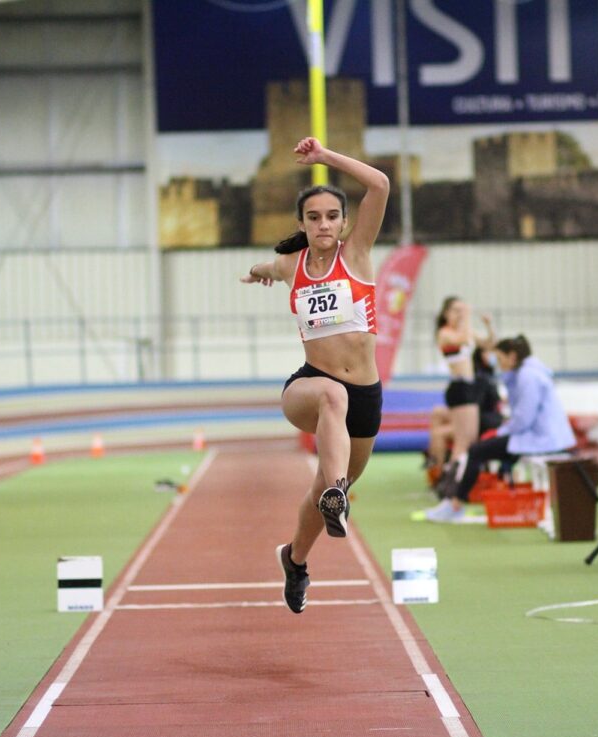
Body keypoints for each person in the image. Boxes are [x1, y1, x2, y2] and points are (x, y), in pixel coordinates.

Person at [240, 137, 389, 614]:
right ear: (302, 224)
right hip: (310, 386)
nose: (323, 224)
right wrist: (260, 271)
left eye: (331, 216)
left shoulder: (358, 254)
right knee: (330, 396)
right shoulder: (292, 265)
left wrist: (326, 158)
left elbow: (380, 184)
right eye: (313, 217)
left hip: (365, 394)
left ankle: (295, 558)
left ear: (344, 223)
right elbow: (267, 264)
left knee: (325, 486)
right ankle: (335, 493)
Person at [423, 335, 576, 523]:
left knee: (476, 451)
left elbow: (523, 419)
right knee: (480, 449)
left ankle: (455, 504)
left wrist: (500, 432)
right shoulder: (525, 374)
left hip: (540, 439)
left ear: (512, 357)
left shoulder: (528, 377)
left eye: (501, 359)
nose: (498, 363)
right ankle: (454, 502)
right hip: (538, 435)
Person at [433, 298, 497, 472]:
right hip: (459, 387)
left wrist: (489, 326)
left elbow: (489, 344)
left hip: (469, 387)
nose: (460, 314)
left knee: (469, 439)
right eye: (455, 310)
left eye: (462, 310)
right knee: (463, 442)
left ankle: (454, 479)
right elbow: (462, 339)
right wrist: (467, 315)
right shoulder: (445, 332)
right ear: (446, 313)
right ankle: (450, 483)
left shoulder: (465, 331)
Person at [425, 340, 503, 474]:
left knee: (440, 434)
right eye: (489, 352)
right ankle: (438, 468)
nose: (493, 356)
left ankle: (442, 472)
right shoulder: (481, 375)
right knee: (438, 416)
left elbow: (479, 406)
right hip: (479, 415)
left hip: (480, 419)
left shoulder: (482, 377)